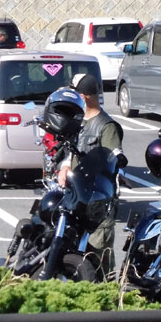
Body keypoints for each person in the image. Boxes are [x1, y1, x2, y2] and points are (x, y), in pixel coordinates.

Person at [57, 74, 124, 279]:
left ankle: (106, 290)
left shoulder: (107, 126)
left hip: (98, 203)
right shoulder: (78, 122)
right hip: (76, 196)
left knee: (98, 252)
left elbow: (113, 162)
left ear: (84, 97)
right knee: (72, 249)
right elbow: (69, 153)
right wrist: (65, 167)